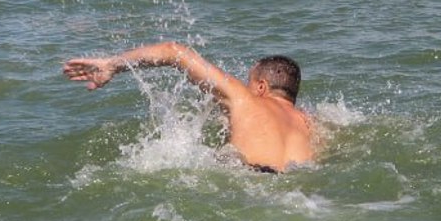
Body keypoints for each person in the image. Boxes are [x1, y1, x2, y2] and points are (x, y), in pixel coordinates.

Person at [63, 41, 317, 173]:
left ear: (261, 87)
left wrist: (111, 65)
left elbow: (174, 52)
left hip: (249, 181)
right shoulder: (310, 123)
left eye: (248, 82)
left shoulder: (245, 100)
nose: (244, 86)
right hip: (296, 188)